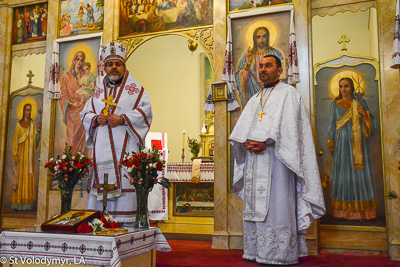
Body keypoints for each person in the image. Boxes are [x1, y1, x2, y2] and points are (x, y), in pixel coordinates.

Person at [229, 55, 325, 265]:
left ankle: (280, 253)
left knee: (278, 205)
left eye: (268, 66)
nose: (263, 69)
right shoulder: (255, 98)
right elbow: (243, 129)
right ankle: (257, 250)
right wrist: (245, 143)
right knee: (258, 207)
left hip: (279, 161)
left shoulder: (289, 94)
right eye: (261, 66)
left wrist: (267, 142)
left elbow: (292, 131)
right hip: (255, 162)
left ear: (279, 70)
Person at [80, 42, 152, 223]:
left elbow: (146, 112)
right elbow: (85, 113)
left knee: (124, 180)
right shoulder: (97, 92)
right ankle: (98, 222)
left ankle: (126, 223)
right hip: (101, 150)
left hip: (125, 149)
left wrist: (123, 119)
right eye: (110, 64)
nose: (113, 67)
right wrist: (96, 119)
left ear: (123, 67)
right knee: (100, 188)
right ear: (104, 67)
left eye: (117, 64)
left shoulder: (135, 90)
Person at [327, 77, 378, 220]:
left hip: (359, 145)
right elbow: (331, 125)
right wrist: (331, 139)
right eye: (341, 86)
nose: (343, 89)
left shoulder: (360, 103)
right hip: (342, 145)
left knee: (359, 175)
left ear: (352, 88)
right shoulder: (335, 104)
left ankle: (363, 212)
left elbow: (372, 124)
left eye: (346, 86)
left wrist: (365, 114)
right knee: (344, 174)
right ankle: (343, 212)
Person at [235, 27, 283, 107]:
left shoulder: (276, 53)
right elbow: (241, 80)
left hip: (273, 92)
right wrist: (248, 63)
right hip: (253, 93)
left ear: (267, 38)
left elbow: (283, 75)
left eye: (264, 36)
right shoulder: (248, 56)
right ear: (254, 39)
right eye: (258, 37)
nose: (261, 40)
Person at [9, 103, 39, 211]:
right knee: (19, 177)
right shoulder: (18, 125)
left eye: (30, 110)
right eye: (27, 110)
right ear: (23, 111)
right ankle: (17, 203)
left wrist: (39, 133)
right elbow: (14, 141)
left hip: (29, 156)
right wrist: (15, 154)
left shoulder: (33, 124)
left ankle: (27, 204)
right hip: (21, 155)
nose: (28, 112)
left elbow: (35, 140)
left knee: (28, 178)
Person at [59, 51, 87, 155]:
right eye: (78, 59)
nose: (79, 62)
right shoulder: (66, 76)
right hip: (71, 111)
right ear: (74, 60)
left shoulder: (85, 76)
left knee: (81, 137)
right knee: (71, 137)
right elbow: (63, 94)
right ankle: (70, 158)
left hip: (82, 110)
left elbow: (89, 92)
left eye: (82, 60)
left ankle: (80, 159)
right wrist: (71, 104)